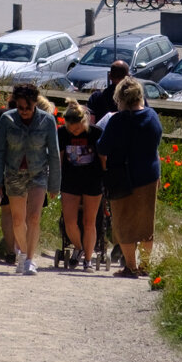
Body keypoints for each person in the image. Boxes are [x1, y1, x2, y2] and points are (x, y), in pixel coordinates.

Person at [0, 79, 60, 276]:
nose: (24, 111)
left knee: (34, 217)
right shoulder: (7, 120)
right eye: (20, 107)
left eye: (28, 107)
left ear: (35, 103)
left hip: (38, 174)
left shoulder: (47, 121)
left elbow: (54, 153)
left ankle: (29, 259)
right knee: (18, 220)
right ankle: (20, 253)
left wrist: (54, 185)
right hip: (13, 174)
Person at [95, 77, 162, 278]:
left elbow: (102, 147)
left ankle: (130, 267)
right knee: (146, 222)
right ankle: (146, 265)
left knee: (123, 222)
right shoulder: (152, 116)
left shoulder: (117, 121)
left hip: (122, 177)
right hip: (149, 175)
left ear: (120, 98)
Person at [58, 103, 105, 269]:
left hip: (92, 180)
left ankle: (88, 259)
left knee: (89, 221)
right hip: (70, 180)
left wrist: (106, 178)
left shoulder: (96, 133)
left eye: (77, 128)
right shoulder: (62, 134)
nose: (74, 132)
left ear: (84, 123)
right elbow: (60, 159)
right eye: (71, 129)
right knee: (70, 220)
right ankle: (78, 248)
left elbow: (102, 159)